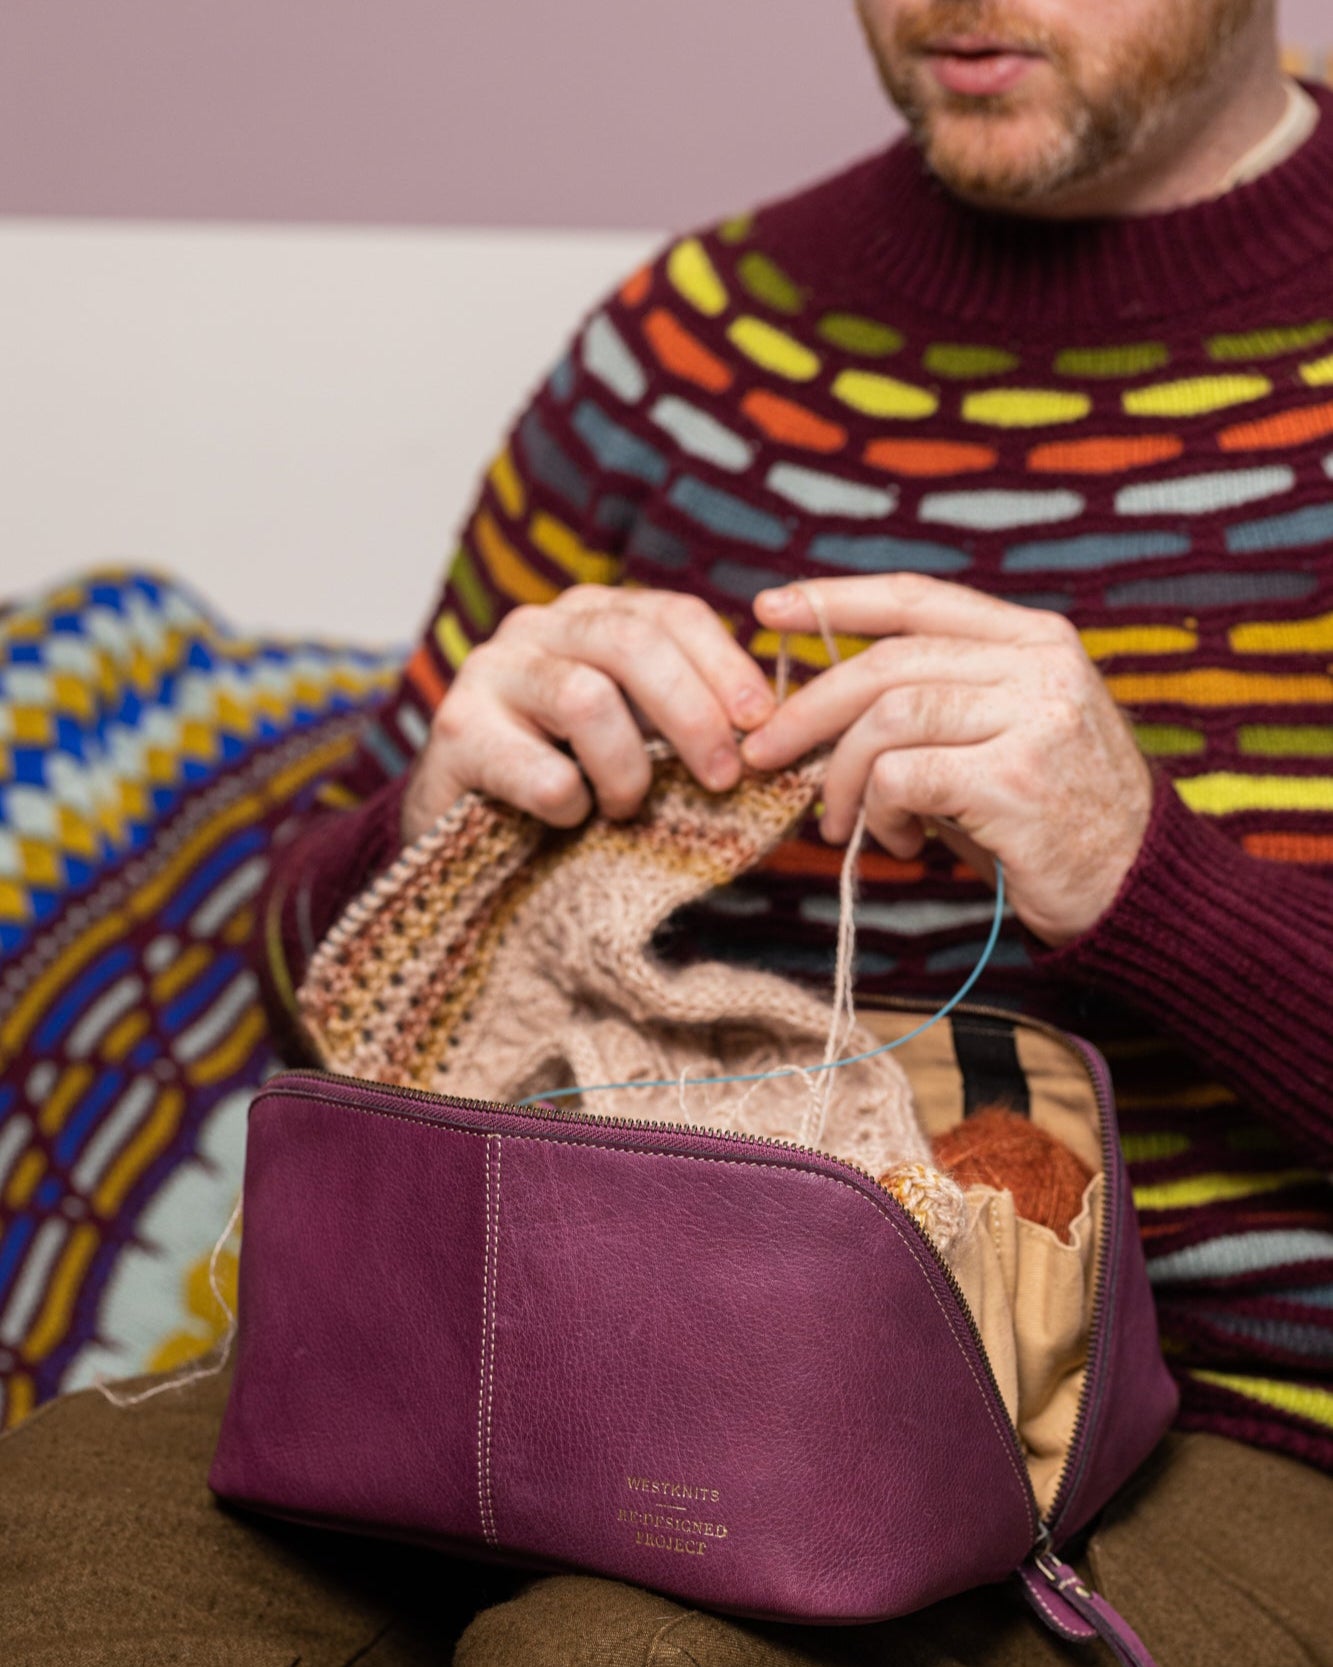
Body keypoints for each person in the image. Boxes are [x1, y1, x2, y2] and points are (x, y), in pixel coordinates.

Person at [3, 1, 1332, 1662]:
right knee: (61, 1550)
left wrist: (1149, 881)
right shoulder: (687, 355)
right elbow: (307, 1021)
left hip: (1250, 1421)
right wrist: (438, 832)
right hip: (560, 1338)